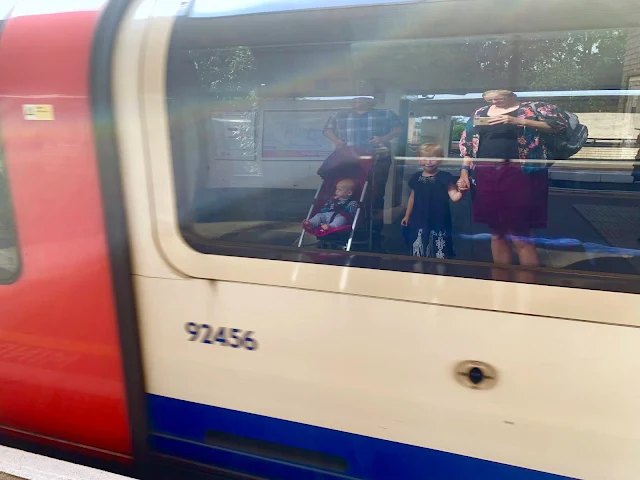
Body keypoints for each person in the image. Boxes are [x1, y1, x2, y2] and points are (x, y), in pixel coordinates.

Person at [457, 89, 569, 279]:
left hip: (521, 174)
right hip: (485, 174)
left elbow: (560, 126)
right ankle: (500, 286)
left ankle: (527, 290)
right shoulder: (479, 113)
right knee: (496, 232)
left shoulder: (532, 109)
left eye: (498, 97)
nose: (493, 101)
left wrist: (518, 121)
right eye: (489, 98)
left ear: (511, 93)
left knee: (521, 233)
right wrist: (464, 172)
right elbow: (467, 145)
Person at [323, 97, 403, 250]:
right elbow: (327, 129)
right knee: (346, 191)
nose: (357, 101)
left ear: (371, 101)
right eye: (354, 99)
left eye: (362, 98)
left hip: (378, 159)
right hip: (348, 160)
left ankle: (373, 231)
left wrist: (384, 138)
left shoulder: (386, 113)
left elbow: (399, 128)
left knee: (375, 194)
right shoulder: (339, 114)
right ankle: (343, 227)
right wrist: (336, 141)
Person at [401, 144, 463, 258]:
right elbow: (412, 198)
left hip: (439, 219)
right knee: (418, 250)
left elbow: (454, 197)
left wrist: (462, 190)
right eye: (424, 158)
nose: (428, 162)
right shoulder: (416, 177)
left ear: (440, 159)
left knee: (440, 249)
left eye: (433, 158)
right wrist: (407, 216)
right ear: (419, 158)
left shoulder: (445, 177)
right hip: (419, 218)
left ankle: (440, 272)